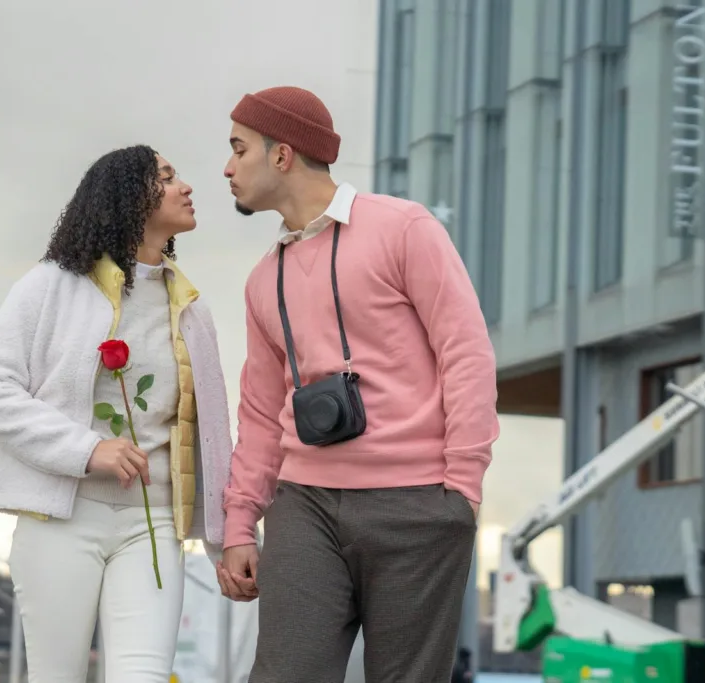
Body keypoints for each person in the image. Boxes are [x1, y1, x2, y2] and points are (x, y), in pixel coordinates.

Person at [216, 86, 499, 683]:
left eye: (239, 149)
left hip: (419, 500)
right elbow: (262, 412)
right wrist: (241, 522)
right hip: (304, 505)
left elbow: (466, 351)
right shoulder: (263, 279)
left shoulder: (403, 228)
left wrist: (462, 489)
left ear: (282, 155)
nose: (227, 167)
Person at [0, 144, 234, 682]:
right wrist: (87, 450)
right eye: (167, 176)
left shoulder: (191, 306)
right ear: (128, 196)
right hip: (63, 520)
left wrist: (230, 536)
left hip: (153, 524)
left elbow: (213, 432)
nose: (186, 186)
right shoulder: (50, 285)